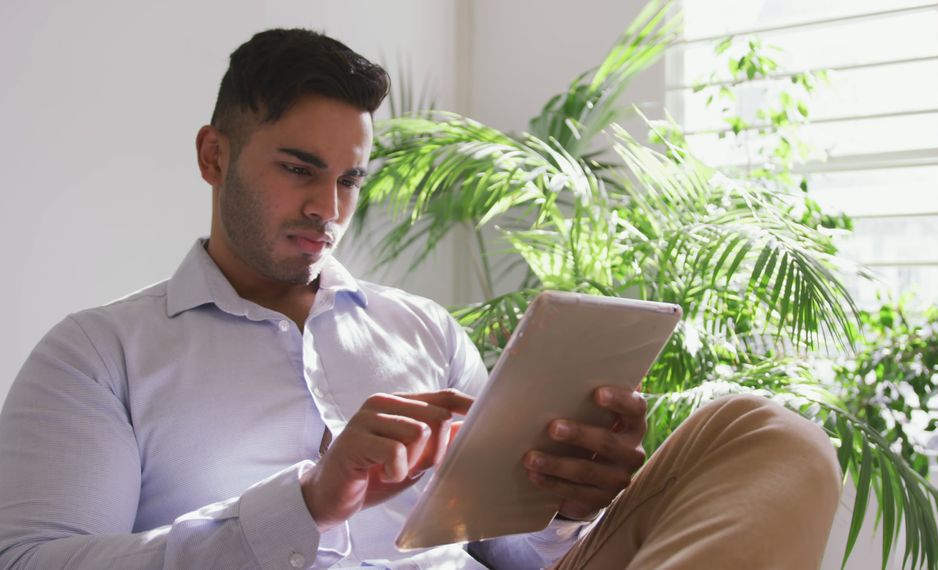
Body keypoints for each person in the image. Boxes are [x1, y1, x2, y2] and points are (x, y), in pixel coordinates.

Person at [0, 29, 841, 569]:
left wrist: (559, 499)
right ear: (214, 155)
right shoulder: (99, 353)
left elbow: (515, 553)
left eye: (350, 179)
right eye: (298, 168)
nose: (328, 208)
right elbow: (34, 560)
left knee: (766, 434)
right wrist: (305, 503)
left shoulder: (424, 332)